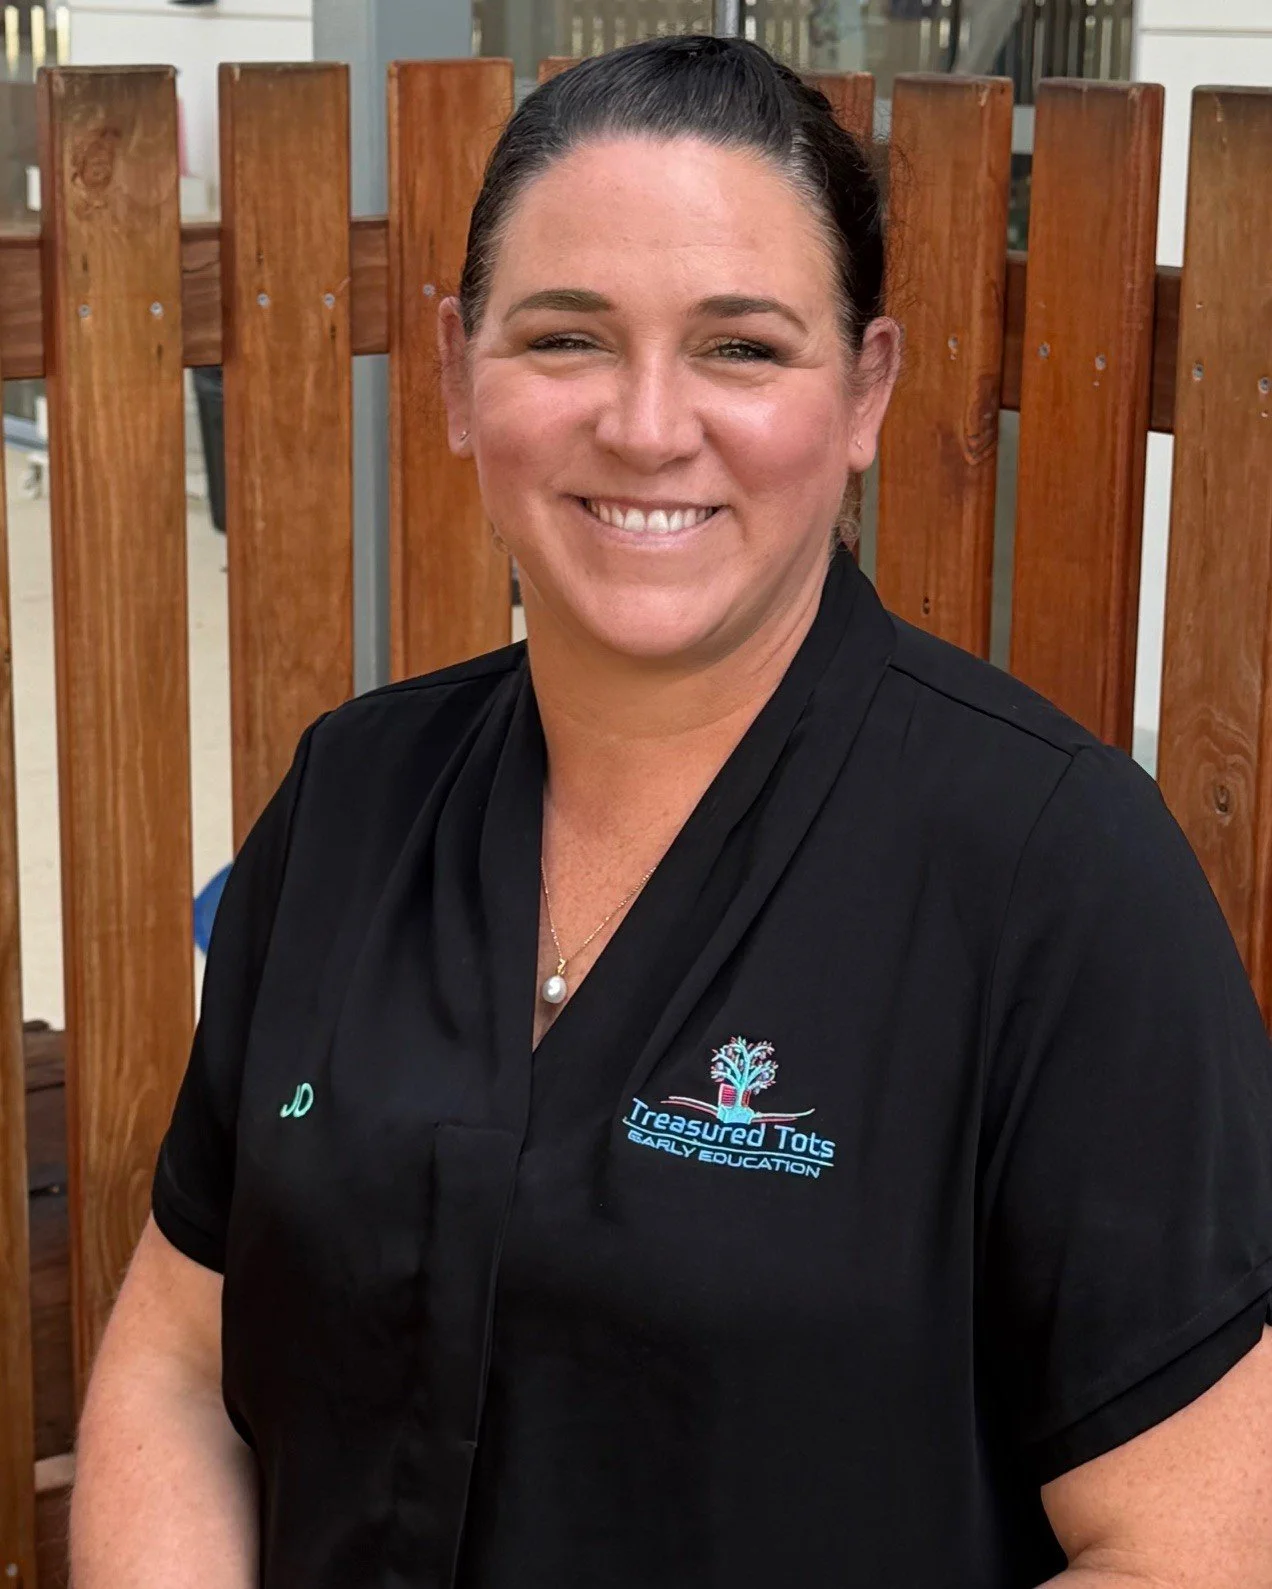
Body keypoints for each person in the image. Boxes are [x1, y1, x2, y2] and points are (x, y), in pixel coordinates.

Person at [71, 34, 1272, 1589]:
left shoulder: (1056, 876)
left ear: (865, 391)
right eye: (566, 338)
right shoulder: (356, 799)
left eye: (743, 349)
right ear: (454, 375)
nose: (646, 426)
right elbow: (178, 1355)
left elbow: (1194, 1551)